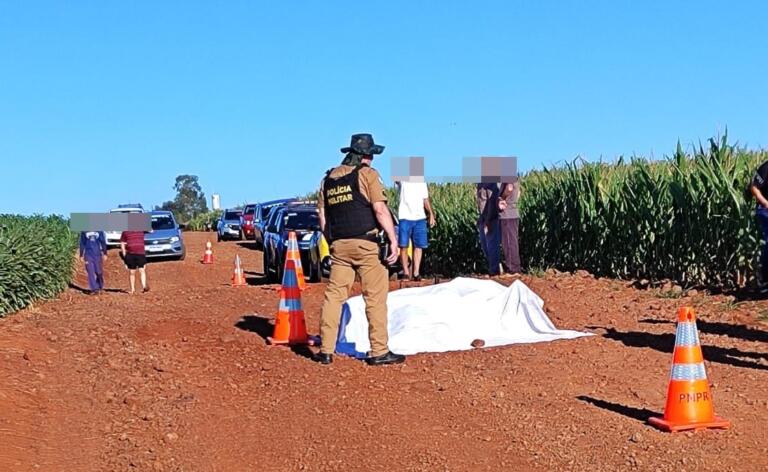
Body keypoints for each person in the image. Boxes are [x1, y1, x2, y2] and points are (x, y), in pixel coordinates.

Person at [315, 133, 405, 366]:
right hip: (366, 244)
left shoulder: (328, 180)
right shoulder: (367, 175)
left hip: (339, 246)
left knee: (334, 295)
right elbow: (380, 210)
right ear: (366, 155)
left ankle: (325, 349)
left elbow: (323, 217)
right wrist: (394, 240)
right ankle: (379, 351)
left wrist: (333, 241)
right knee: (375, 297)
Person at [396, 177, 436, 281]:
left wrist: (431, 213)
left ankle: (416, 273)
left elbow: (425, 199)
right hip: (405, 216)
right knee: (403, 246)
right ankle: (405, 272)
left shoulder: (422, 181)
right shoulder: (402, 179)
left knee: (419, 245)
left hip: (420, 217)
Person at [750, 160, 768, 291]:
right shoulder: (766, 167)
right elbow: (754, 187)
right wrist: (765, 203)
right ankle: (765, 278)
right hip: (765, 210)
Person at [476, 182, 501, 276]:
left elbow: (492, 202)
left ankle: (494, 270)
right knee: (484, 245)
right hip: (483, 218)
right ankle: (494, 267)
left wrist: (488, 220)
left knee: (492, 245)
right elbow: (481, 203)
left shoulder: (491, 184)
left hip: (491, 219)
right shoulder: (480, 185)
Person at [498, 177, 522, 275]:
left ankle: (513, 270)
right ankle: (514, 268)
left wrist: (502, 198)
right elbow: (519, 192)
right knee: (511, 241)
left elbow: (509, 188)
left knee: (508, 242)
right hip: (512, 212)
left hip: (507, 214)